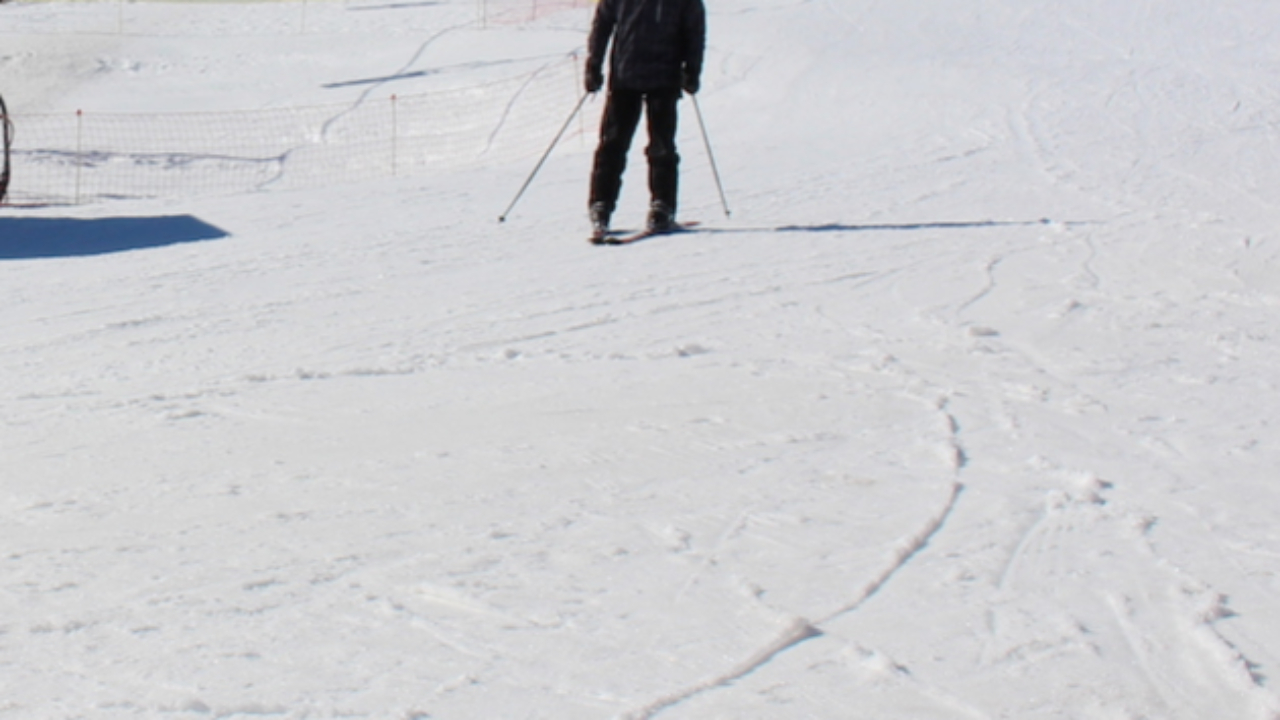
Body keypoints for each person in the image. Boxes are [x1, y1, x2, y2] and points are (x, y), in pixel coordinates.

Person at [584, 0, 705, 241]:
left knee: (660, 146)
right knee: (614, 144)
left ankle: (661, 206)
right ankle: (601, 205)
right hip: (626, 78)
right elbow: (602, 24)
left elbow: (694, 30)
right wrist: (593, 65)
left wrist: (692, 70)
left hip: (663, 79)